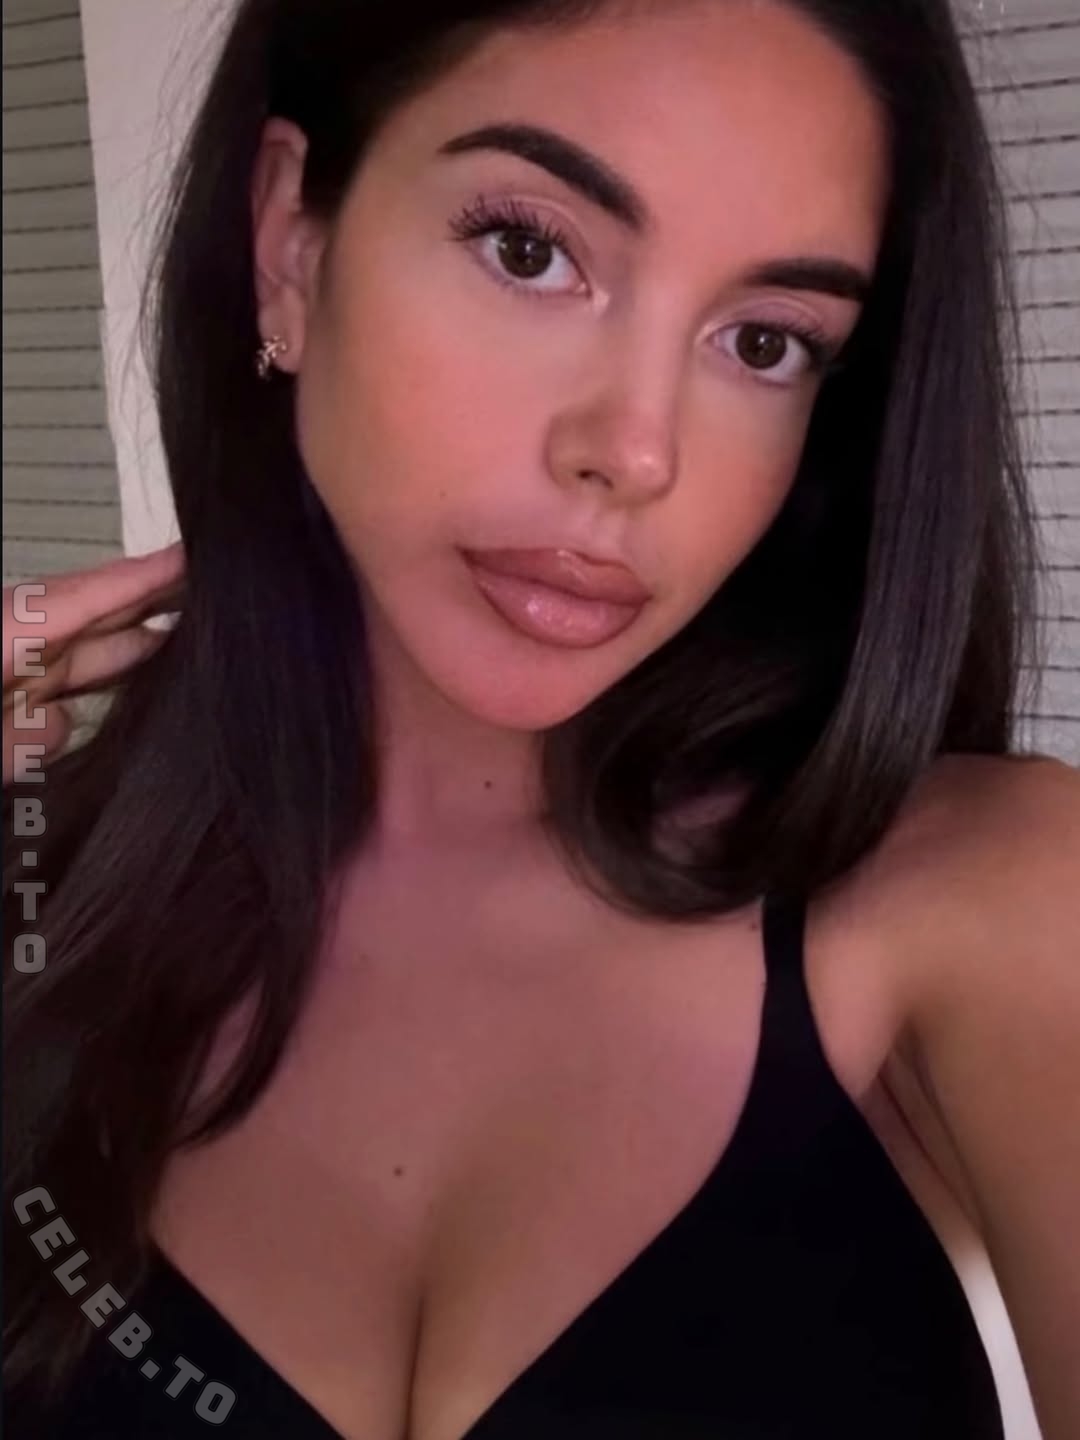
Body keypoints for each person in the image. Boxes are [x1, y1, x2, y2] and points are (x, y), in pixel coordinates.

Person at [2, 0, 1078, 1436]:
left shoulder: (999, 903)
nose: (634, 452)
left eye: (766, 341)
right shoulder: (45, 904)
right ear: (287, 245)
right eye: (529, 250)